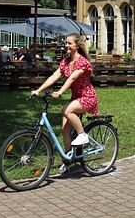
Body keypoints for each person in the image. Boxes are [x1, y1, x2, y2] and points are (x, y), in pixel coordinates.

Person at [31, 33, 98, 175]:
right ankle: (68, 160)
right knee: (65, 128)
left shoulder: (83, 62)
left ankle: (82, 135)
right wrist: (38, 90)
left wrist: (60, 92)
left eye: (69, 43)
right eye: (65, 43)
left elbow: (73, 77)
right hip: (76, 97)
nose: (66, 45)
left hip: (87, 97)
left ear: (77, 46)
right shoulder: (66, 61)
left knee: (66, 110)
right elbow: (54, 76)